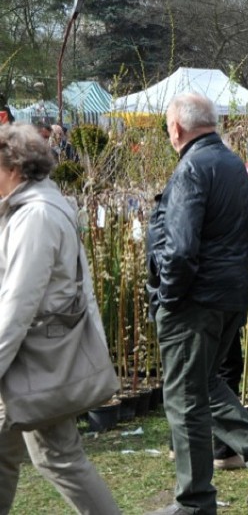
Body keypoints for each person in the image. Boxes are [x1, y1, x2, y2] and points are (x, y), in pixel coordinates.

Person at [146, 93, 248, 515]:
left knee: (184, 398)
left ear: (176, 128)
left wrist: (167, 298)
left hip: (195, 299)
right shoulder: (232, 162)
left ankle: (194, 501)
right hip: (229, 293)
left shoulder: (193, 167)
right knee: (206, 385)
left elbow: (180, 247)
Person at [0, 123, 120, 515]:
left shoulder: (35, 216)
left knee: (59, 458)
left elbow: (18, 304)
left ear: (14, 167)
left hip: (35, 363)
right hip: (37, 361)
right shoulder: (38, 205)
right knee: (54, 457)